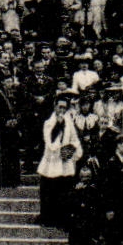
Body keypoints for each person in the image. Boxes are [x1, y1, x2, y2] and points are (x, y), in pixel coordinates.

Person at [36, 93, 82, 228]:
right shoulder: (48, 123)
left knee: (63, 192)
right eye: (59, 107)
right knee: (49, 192)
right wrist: (59, 126)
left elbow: (75, 139)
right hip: (51, 162)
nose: (62, 110)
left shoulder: (70, 123)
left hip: (64, 162)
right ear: (55, 107)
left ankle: (62, 219)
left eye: (64, 108)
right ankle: (48, 219)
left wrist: (70, 150)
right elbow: (49, 142)